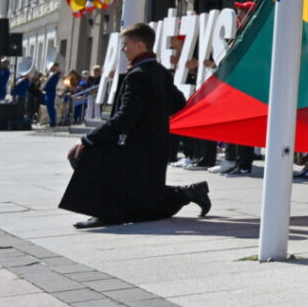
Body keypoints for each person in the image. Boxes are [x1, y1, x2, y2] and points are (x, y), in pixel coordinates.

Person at [59, 23, 211, 229]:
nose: (123, 49)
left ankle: (105, 212)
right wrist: (155, 120)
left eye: (126, 44)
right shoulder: (159, 70)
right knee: (145, 200)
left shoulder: (138, 74)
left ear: (140, 46)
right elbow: (178, 103)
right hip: (156, 145)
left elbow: (125, 117)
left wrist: (88, 138)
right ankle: (191, 192)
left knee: (82, 155)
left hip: (135, 146)